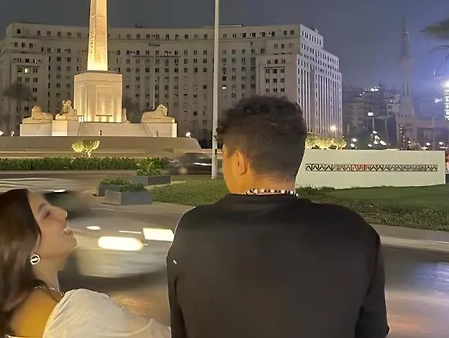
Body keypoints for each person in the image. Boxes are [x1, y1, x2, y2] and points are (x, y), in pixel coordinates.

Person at [167, 96, 389, 338]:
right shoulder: (355, 233)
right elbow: (373, 331)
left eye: (224, 157)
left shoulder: (192, 231)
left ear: (239, 161)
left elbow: (180, 329)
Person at [0, 188, 170, 338]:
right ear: (27, 245)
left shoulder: (5, 316)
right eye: (47, 214)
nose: (63, 212)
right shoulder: (79, 311)